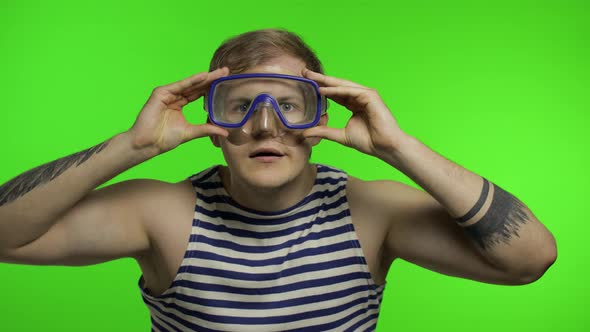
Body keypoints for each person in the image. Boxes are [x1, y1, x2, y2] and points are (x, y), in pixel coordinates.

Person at [0, 29, 556, 331]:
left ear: (322, 119)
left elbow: (529, 259)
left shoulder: (373, 211)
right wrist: (132, 145)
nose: (266, 125)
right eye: (239, 106)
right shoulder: (161, 213)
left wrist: (399, 147)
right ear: (212, 125)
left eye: (291, 105)